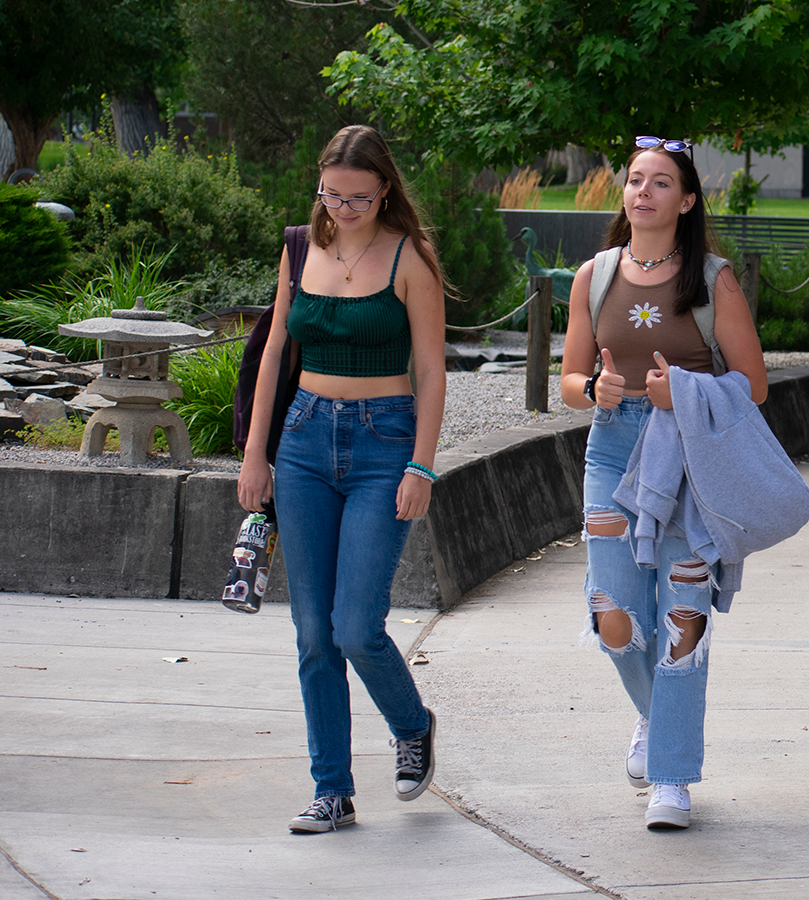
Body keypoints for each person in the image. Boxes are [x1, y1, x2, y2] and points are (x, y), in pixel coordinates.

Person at [237, 124, 447, 834]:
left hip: (384, 441)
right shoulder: (301, 245)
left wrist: (421, 461)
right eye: (332, 195)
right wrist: (254, 452)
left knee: (357, 627)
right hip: (300, 441)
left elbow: (432, 368)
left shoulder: (411, 256)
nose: (343, 209)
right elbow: (272, 356)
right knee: (311, 632)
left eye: (358, 198)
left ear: (385, 188)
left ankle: (412, 724)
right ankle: (332, 788)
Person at [559, 136, 769, 831]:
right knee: (613, 612)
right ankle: (657, 717)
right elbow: (568, 381)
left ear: (686, 200)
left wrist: (682, 392)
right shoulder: (594, 275)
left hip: (687, 458)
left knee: (681, 618)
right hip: (613, 454)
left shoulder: (713, 279)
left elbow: (754, 383)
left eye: (659, 182)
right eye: (633, 180)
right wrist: (597, 387)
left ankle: (672, 778)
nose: (642, 191)